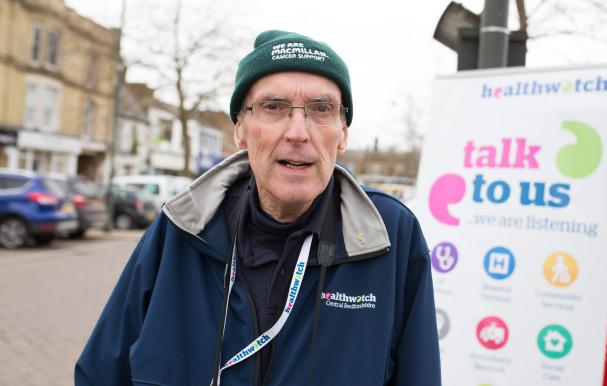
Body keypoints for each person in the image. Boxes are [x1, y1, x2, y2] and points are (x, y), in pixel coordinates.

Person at [75, 30, 441, 386]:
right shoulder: (182, 228)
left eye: (321, 109)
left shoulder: (391, 236)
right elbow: (101, 374)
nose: (298, 132)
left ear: (343, 133)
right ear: (241, 129)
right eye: (274, 107)